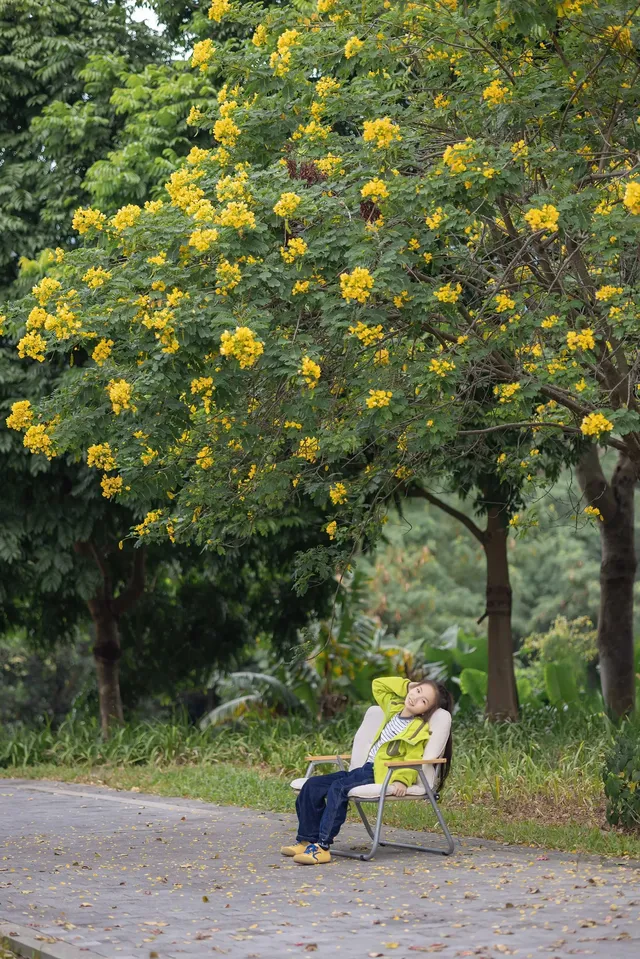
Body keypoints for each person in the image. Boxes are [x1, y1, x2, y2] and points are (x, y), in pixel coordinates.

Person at [281, 675, 453, 865]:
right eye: (417, 691)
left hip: (380, 774)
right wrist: (408, 685)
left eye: (423, 701)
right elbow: (378, 685)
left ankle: (322, 846)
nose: (415, 698)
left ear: (425, 711)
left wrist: (401, 780)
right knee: (312, 785)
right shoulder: (393, 708)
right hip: (362, 770)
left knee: (338, 788)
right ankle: (306, 839)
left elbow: (412, 758)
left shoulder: (417, 729)